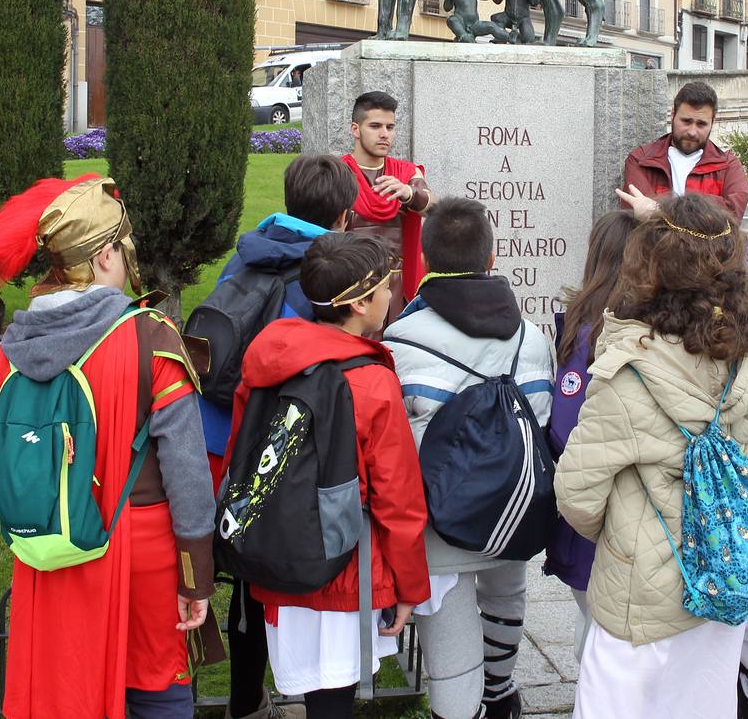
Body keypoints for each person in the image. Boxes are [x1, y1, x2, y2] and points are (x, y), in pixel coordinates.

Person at [0, 174, 218, 719]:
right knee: (157, 689)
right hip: (140, 551)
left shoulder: (11, 349)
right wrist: (196, 572)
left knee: (67, 692)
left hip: (47, 545)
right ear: (107, 255)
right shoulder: (150, 336)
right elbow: (187, 473)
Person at [555, 194, 748, 719]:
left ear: (651, 260)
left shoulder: (629, 368)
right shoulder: (747, 358)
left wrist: (626, 537)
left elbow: (577, 492)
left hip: (639, 596)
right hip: (724, 575)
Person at [228, 233, 430, 719]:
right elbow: (397, 498)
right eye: (387, 285)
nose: (392, 294)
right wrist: (410, 587)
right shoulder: (374, 380)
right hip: (346, 569)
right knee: (334, 701)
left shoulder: (267, 361)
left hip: (278, 562)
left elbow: (243, 455)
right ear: (360, 302)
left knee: (315, 694)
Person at [384, 197, 556, 719]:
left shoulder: (399, 340)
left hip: (439, 519)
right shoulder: (533, 336)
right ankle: (501, 691)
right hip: (514, 512)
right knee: (506, 589)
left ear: (427, 259)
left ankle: (458, 709)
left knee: (450, 616)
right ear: (492, 257)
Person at [205, 155, 357, 719]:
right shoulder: (327, 271)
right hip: (279, 443)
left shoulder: (247, 253)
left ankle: (244, 701)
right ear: (344, 216)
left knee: (245, 578)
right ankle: (317, 687)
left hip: (223, 435)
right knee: (282, 566)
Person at [542, 210, 638, 661]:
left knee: (598, 626)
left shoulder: (589, 329)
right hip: (612, 507)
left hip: (599, 508)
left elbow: (563, 428)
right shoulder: (593, 330)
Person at [343, 91, 432, 326]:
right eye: (375, 126)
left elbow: (435, 210)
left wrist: (410, 194)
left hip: (399, 288)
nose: (384, 134)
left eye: (390, 127)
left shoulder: (407, 173)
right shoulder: (338, 173)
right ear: (355, 129)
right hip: (351, 287)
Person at [620, 81, 748, 220]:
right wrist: (706, 211)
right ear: (673, 115)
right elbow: (638, 224)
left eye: (701, 124)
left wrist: (659, 209)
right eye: (686, 121)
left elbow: (731, 219)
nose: (692, 132)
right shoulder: (641, 160)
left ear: (713, 122)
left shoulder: (728, 166)